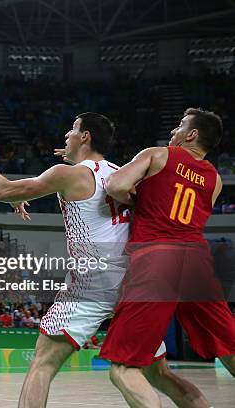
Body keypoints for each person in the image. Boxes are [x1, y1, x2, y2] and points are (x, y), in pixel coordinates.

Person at [0, 113, 211, 408]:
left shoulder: (69, 175)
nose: (66, 135)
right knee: (158, 374)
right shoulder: (125, 172)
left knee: (42, 364)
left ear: (85, 136)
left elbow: (3, 190)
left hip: (91, 282)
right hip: (135, 284)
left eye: (72, 129)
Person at [100, 108, 235, 406]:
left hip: (157, 260)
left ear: (192, 134)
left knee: (123, 367)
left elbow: (116, 185)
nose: (174, 131)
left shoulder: (158, 154)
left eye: (179, 125)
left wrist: (143, 200)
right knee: (229, 345)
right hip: (197, 262)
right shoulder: (215, 179)